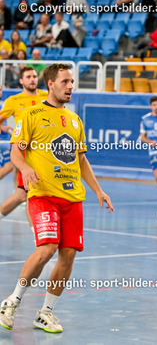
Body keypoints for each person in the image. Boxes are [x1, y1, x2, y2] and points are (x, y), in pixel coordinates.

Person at [0, 63, 113, 333]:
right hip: (43, 195)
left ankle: (45, 313)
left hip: (72, 198)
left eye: (72, 82)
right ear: (50, 84)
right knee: (47, 249)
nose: (70, 86)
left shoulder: (75, 120)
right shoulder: (31, 115)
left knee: (68, 255)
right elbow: (16, 152)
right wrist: (25, 168)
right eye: (65, 82)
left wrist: (98, 190)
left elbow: (81, 159)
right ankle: (12, 302)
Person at [0, 66, 48, 222]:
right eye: (28, 77)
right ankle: (38, 233)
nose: (32, 79)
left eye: (34, 76)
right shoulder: (13, 101)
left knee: (27, 195)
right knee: (25, 195)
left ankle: (39, 232)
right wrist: (3, 127)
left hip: (44, 152)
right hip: (24, 152)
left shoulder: (47, 96)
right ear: (21, 80)